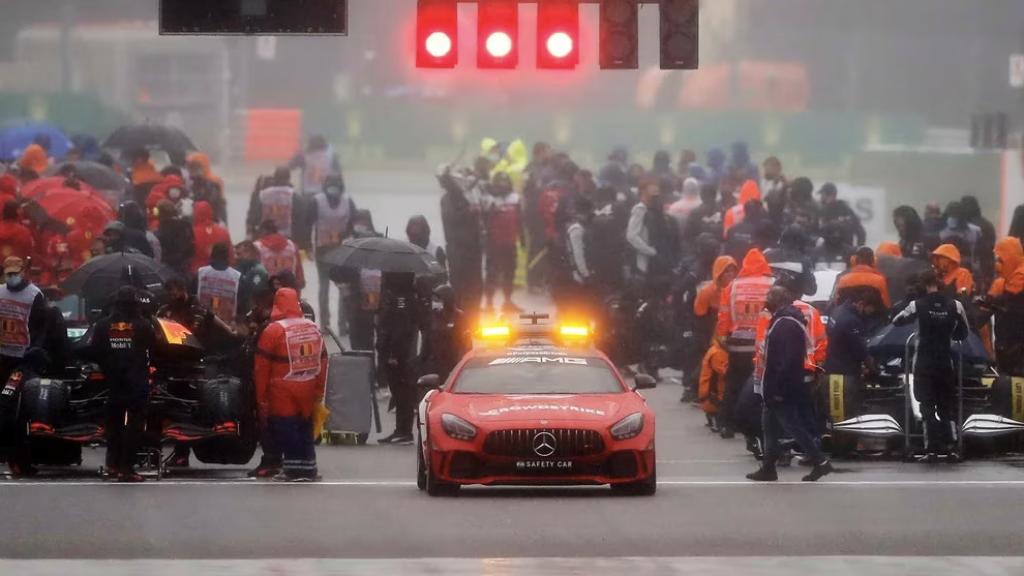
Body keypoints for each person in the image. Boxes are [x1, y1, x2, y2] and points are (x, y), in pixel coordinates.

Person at [746, 285, 833, 482]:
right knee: (769, 425)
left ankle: (820, 461)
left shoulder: (785, 324)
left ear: (777, 300)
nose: (765, 299)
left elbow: (787, 361)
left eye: (769, 296)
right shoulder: (783, 320)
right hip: (776, 386)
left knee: (792, 425)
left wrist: (778, 389)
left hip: (781, 387)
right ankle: (768, 467)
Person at [892, 270, 970, 460]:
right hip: (945, 362)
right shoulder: (955, 305)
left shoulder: (917, 305)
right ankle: (952, 447)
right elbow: (964, 331)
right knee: (947, 405)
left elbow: (896, 321)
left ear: (922, 285)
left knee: (926, 404)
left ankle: (931, 449)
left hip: (924, 363)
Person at [254, 288, 328, 481]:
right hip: (308, 384)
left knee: (286, 426)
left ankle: (293, 469)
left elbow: (261, 367)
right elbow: (323, 360)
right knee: (305, 425)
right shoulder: (313, 327)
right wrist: (319, 390)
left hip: (282, 387)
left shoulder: (273, 330)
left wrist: (261, 398)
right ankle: (309, 467)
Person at [87, 286, 156, 482]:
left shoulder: (102, 325)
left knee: (113, 425)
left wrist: (109, 366)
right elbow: (154, 349)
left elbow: (94, 351)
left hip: (112, 382)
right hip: (136, 381)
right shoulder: (144, 326)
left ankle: (112, 464)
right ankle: (127, 468)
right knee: (134, 426)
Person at [717, 248, 774, 438]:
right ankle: (757, 424)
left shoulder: (732, 287)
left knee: (734, 384)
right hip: (764, 345)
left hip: (738, 344)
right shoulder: (773, 285)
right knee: (761, 387)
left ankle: (726, 424)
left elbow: (723, 315)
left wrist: (722, 336)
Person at [376, 272, 420, 445]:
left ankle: (404, 431)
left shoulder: (401, 300)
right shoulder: (398, 297)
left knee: (402, 393)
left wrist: (393, 353)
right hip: (395, 351)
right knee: (399, 392)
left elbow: (399, 328)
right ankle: (400, 430)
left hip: (397, 354)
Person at [312, 174, 355, 333]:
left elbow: (309, 222)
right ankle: (342, 325)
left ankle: (325, 325)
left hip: (323, 250)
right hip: (340, 251)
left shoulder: (317, 201)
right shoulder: (348, 201)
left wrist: (308, 247)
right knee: (343, 287)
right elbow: (353, 224)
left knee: (324, 287)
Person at [439, 168, 483, 318]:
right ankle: (460, 316)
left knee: (475, 285)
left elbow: (476, 182)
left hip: (474, 248)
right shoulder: (447, 199)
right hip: (457, 249)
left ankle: (474, 316)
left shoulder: (470, 195)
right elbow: (451, 218)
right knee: (460, 285)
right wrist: (468, 212)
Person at [0, 257, 48, 387]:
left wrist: (35, 347)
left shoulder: (34, 294)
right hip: (3, 354)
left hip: (22, 356)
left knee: (11, 391)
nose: (12, 277)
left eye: (15, 273)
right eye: (9, 274)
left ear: (22, 272)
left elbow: (41, 325)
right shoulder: (0, 291)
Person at [979, 237, 1024, 374]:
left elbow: (1010, 299)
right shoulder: (1002, 282)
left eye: (1001, 260)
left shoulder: (1021, 275)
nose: (997, 265)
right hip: (1004, 344)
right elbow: (983, 314)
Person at [482, 172, 521, 313]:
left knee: (510, 273)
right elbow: (484, 219)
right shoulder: (488, 199)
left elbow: (520, 220)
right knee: (491, 273)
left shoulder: (515, 198)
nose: (503, 185)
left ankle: (508, 301)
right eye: (500, 182)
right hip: (493, 243)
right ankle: (489, 303)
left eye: (505, 182)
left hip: (510, 242)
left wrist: (521, 239)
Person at [418, 284, 470, 384]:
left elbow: (466, 344)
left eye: (438, 300)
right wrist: (422, 365)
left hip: (453, 364)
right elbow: (426, 343)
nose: (435, 303)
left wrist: (461, 363)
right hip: (434, 366)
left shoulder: (459, 316)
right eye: (434, 300)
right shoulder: (433, 317)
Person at [825, 291, 875, 380]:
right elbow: (861, 350)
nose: (867, 315)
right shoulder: (852, 320)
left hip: (831, 367)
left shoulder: (837, 310)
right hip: (844, 373)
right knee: (844, 394)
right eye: (868, 311)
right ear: (860, 304)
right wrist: (873, 370)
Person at [196, 243, 242, 325]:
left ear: (212, 255)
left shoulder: (201, 273)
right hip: (226, 325)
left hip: (203, 322)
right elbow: (241, 303)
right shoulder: (236, 276)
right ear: (227, 257)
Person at [764, 225, 816, 296]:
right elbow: (811, 290)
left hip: (766, 302)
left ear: (782, 239)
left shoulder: (767, 255)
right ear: (802, 242)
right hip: (791, 304)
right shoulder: (804, 261)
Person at [254, 220, 304, 290]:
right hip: (288, 288)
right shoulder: (291, 245)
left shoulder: (257, 246)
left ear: (263, 231)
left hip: (266, 289)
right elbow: (298, 269)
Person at [191, 201, 233, 276]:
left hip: (198, 275)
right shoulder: (223, 232)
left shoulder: (192, 232)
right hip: (221, 275)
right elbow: (230, 255)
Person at [818, 183, 865, 248]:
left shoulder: (844, 209)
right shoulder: (820, 209)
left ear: (832, 196)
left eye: (823, 195)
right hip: (826, 250)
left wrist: (859, 249)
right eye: (822, 195)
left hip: (845, 249)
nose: (821, 197)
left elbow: (860, 232)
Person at [155, 200, 195, 277]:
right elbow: (192, 246)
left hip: (166, 269)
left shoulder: (159, 231)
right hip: (185, 268)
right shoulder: (186, 225)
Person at [186, 152, 227, 224]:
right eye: (190, 167)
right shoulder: (190, 183)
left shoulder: (213, 183)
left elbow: (213, 203)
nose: (192, 170)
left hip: (212, 222)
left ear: (203, 167)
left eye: (195, 167)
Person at [257, 167, 297, 239]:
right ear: (288, 178)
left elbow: (259, 213)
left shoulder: (264, 193)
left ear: (275, 177)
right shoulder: (293, 194)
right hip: (287, 235)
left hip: (268, 234)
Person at [235, 240, 270, 320]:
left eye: (239, 254)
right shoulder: (241, 268)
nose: (236, 257)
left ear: (249, 252)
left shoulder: (258, 271)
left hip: (252, 315)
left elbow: (252, 292)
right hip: (240, 312)